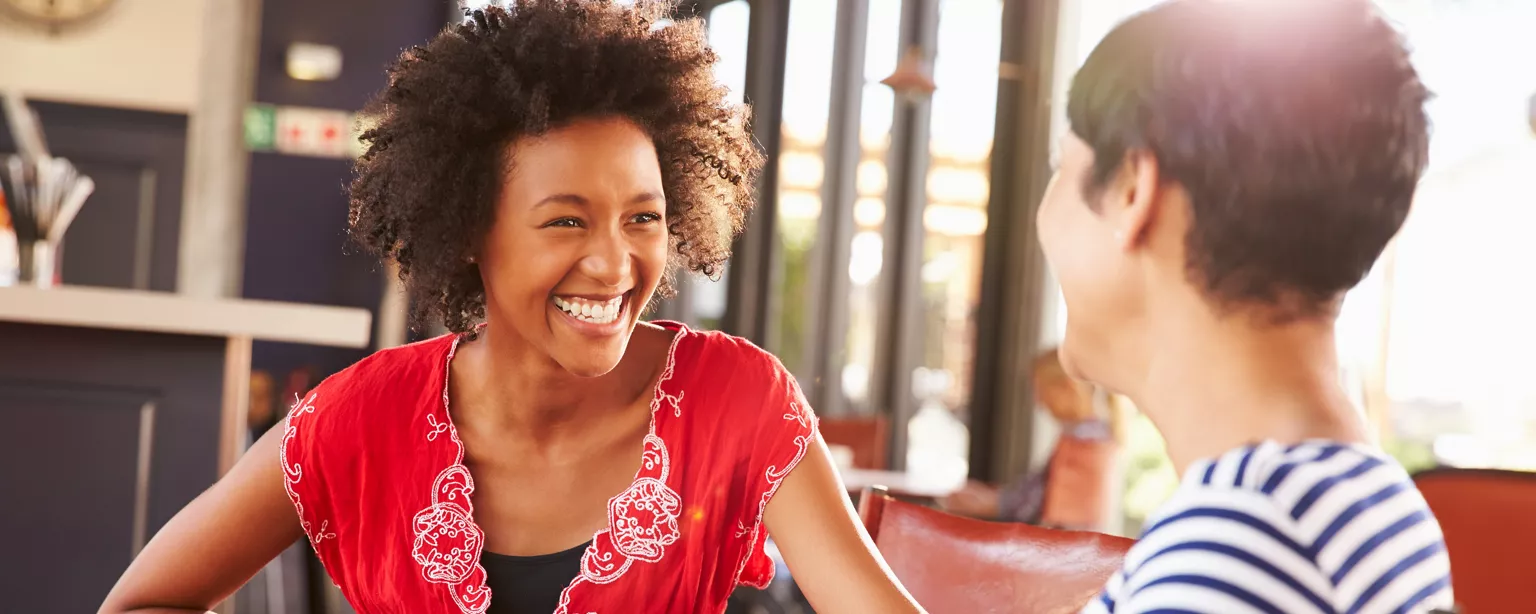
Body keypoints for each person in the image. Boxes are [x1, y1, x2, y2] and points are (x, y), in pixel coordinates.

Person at [100, 3, 922, 613]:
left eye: (643, 218)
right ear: (468, 233)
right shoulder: (360, 418)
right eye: (565, 220)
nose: (612, 262)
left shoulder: (739, 400)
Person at [1038, 1, 1455, 612]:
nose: (1042, 217)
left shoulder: (1238, 549)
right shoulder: (1344, 502)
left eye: (1060, 166)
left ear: (1133, 188)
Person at [941, 348, 1119, 531]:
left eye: (1042, 391)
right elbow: (1039, 486)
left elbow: (1038, 500)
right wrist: (993, 497)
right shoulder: (1089, 434)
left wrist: (991, 503)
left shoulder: (1085, 440)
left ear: (1068, 387)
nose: (1039, 402)